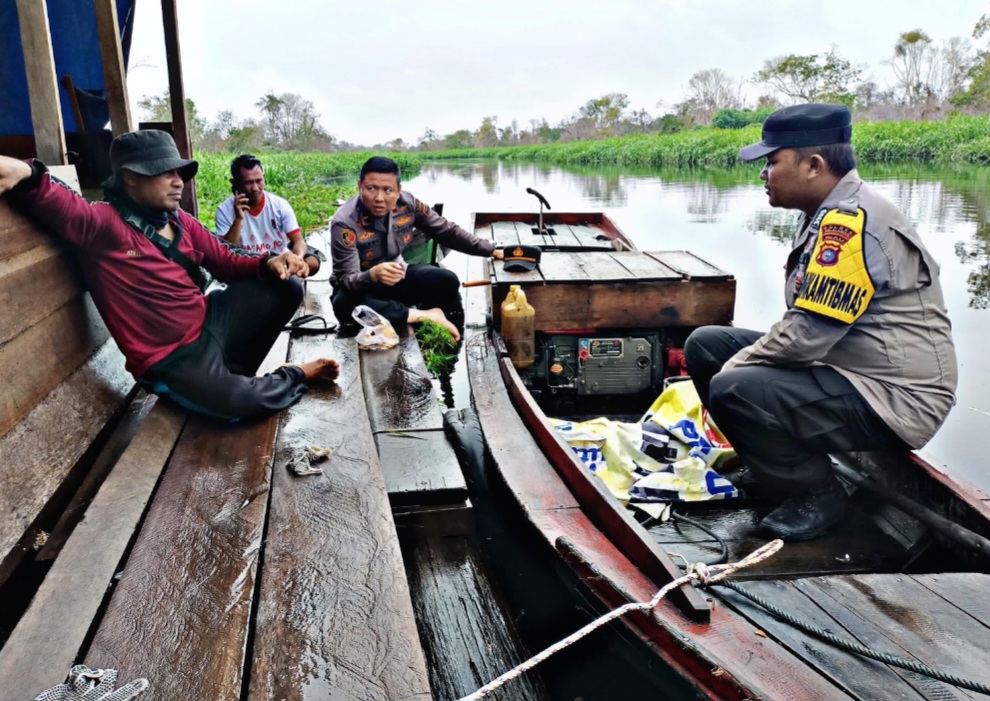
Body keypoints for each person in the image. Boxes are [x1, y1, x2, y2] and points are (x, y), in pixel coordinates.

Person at [684, 104, 957, 542]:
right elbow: (807, 325)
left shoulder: (851, 224)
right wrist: (736, 362)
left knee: (732, 384)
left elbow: (807, 337)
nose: (763, 175)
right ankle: (772, 469)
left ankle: (818, 494)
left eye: (772, 162)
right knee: (706, 346)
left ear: (813, 165)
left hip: (896, 397)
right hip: (852, 367)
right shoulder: (826, 211)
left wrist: (737, 370)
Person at [0, 130, 339, 421]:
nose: (179, 182)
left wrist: (269, 261)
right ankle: (291, 376)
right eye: (165, 173)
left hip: (209, 321)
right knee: (241, 405)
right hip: (172, 359)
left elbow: (225, 258)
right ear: (130, 177)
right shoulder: (102, 224)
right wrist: (24, 171)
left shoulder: (181, 222)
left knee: (285, 287)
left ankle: (229, 376)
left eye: (180, 173)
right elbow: (48, 192)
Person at [329, 156, 503, 341]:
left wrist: (490, 250)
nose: (379, 198)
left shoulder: (409, 203)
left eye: (388, 190)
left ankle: (454, 334)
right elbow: (347, 280)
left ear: (398, 191)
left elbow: (446, 231)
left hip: (398, 276)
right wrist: (372, 274)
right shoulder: (344, 222)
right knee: (344, 307)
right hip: (363, 288)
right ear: (360, 186)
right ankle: (426, 315)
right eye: (371, 189)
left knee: (447, 280)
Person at [215, 154, 322, 274]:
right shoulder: (224, 211)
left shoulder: (279, 205)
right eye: (248, 183)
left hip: (280, 262)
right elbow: (225, 253)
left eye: (259, 181)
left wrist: (298, 259)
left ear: (264, 178)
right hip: (249, 266)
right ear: (234, 183)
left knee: (313, 261)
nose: (255, 188)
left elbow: (298, 241)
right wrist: (238, 220)